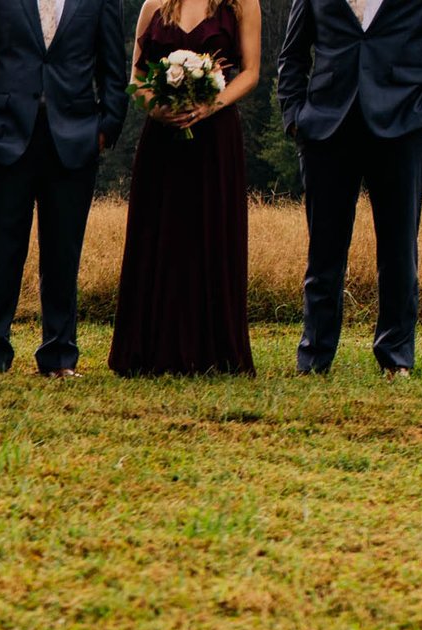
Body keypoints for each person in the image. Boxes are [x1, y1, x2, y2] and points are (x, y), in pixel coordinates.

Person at [278, 0, 422, 376]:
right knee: (323, 250)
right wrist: (294, 115)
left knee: (399, 248)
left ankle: (396, 356)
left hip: (403, 122)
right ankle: (314, 357)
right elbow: (292, 54)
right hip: (326, 126)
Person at [0, 0, 130, 376]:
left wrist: (106, 127)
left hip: (75, 138)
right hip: (4, 136)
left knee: (64, 254)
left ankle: (59, 357)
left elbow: (113, 66)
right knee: (1, 253)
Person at [107, 0, 258, 375]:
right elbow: (137, 78)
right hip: (162, 140)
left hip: (216, 138)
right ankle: (149, 349)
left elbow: (251, 72)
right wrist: (156, 107)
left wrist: (211, 104)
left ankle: (213, 351)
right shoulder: (154, 5)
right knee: (160, 234)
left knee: (210, 232)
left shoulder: (241, 4)